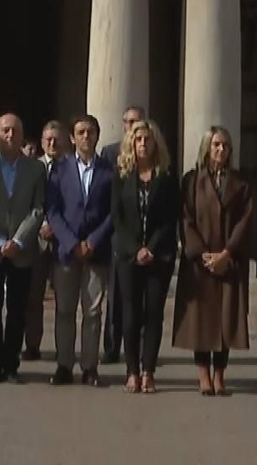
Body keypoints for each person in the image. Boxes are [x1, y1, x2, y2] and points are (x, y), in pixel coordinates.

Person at [174, 126, 253, 396]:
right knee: (202, 320)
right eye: (217, 144)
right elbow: (185, 219)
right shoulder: (192, 180)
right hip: (201, 261)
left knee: (225, 319)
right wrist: (201, 253)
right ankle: (203, 375)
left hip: (229, 260)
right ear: (207, 147)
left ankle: (220, 375)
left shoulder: (240, 183)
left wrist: (227, 253)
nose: (221, 150)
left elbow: (246, 220)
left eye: (226, 146)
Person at [0, 113, 46, 384]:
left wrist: (18, 240)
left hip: (22, 250)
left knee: (18, 310)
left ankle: (11, 364)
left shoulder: (36, 169)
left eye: (15, 131)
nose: (10, 135)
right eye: (5, 130)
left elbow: (38, 208)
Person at [110, 116, 177, 394]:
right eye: (137, 139)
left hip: (159, 255)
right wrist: (135, 249)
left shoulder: (166, 176)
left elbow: (170, 218)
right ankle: (132, 371)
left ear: (155, 143)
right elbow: (117, 218)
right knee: (130, 314)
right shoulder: (122, 175)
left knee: (153, 314)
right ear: (130, 143)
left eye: (147, 139)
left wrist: (152, 248)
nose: (142, 144)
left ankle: (149, 370)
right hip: (128, 255)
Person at [45, 113, 113, 387]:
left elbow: (113, 212)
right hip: (66, 251)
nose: (86, 137)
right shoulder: (59, 169)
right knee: (65, 310)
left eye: (91, 132)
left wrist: (93, 241)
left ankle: (89, 366)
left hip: (97, 250)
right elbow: (52, 210)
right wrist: (72, 243)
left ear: (97, 136)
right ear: (72, 138)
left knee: (93, 312)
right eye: (81, 132)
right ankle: (64, 364)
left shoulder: (110, 170)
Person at [102, 104, 146, 365]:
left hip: (144, 234)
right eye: (128, 122)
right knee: (116, 294)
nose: (132, 127)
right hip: (118, 234)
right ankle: (111, 345)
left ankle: (139, 347)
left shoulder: (152, 151)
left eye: (137, 122)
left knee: (141, 297)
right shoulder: (110, 153)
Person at [26, 120, 64, 362]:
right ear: (41, 142)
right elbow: (27, 202)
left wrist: (57, 228)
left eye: (56, 139)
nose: (52, 143)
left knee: (65, 300)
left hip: (63, 242)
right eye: (48, 139)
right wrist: (41, 225)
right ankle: (32, 345)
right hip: (36, 241)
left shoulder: (72, 168)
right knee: (33, 297)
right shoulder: (31, 168)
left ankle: (65, 349)